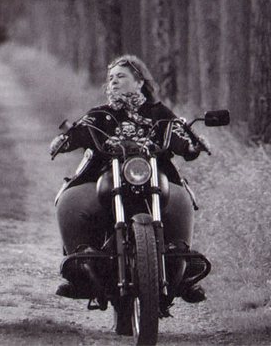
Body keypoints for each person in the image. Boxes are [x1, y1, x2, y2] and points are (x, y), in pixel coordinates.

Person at [49, 55, 207, 306]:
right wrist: (65, 140)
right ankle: (80, 266)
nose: (113, 81)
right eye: (110, 78)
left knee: (181, 199)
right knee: (70, 200)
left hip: (155, 178)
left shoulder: (160, 113)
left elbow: (178, 135)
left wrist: (191, 145)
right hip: (104, 177)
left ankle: (183, 267)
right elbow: (79, 131)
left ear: (139, 82)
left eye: (121, 76)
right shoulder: (100, 115)